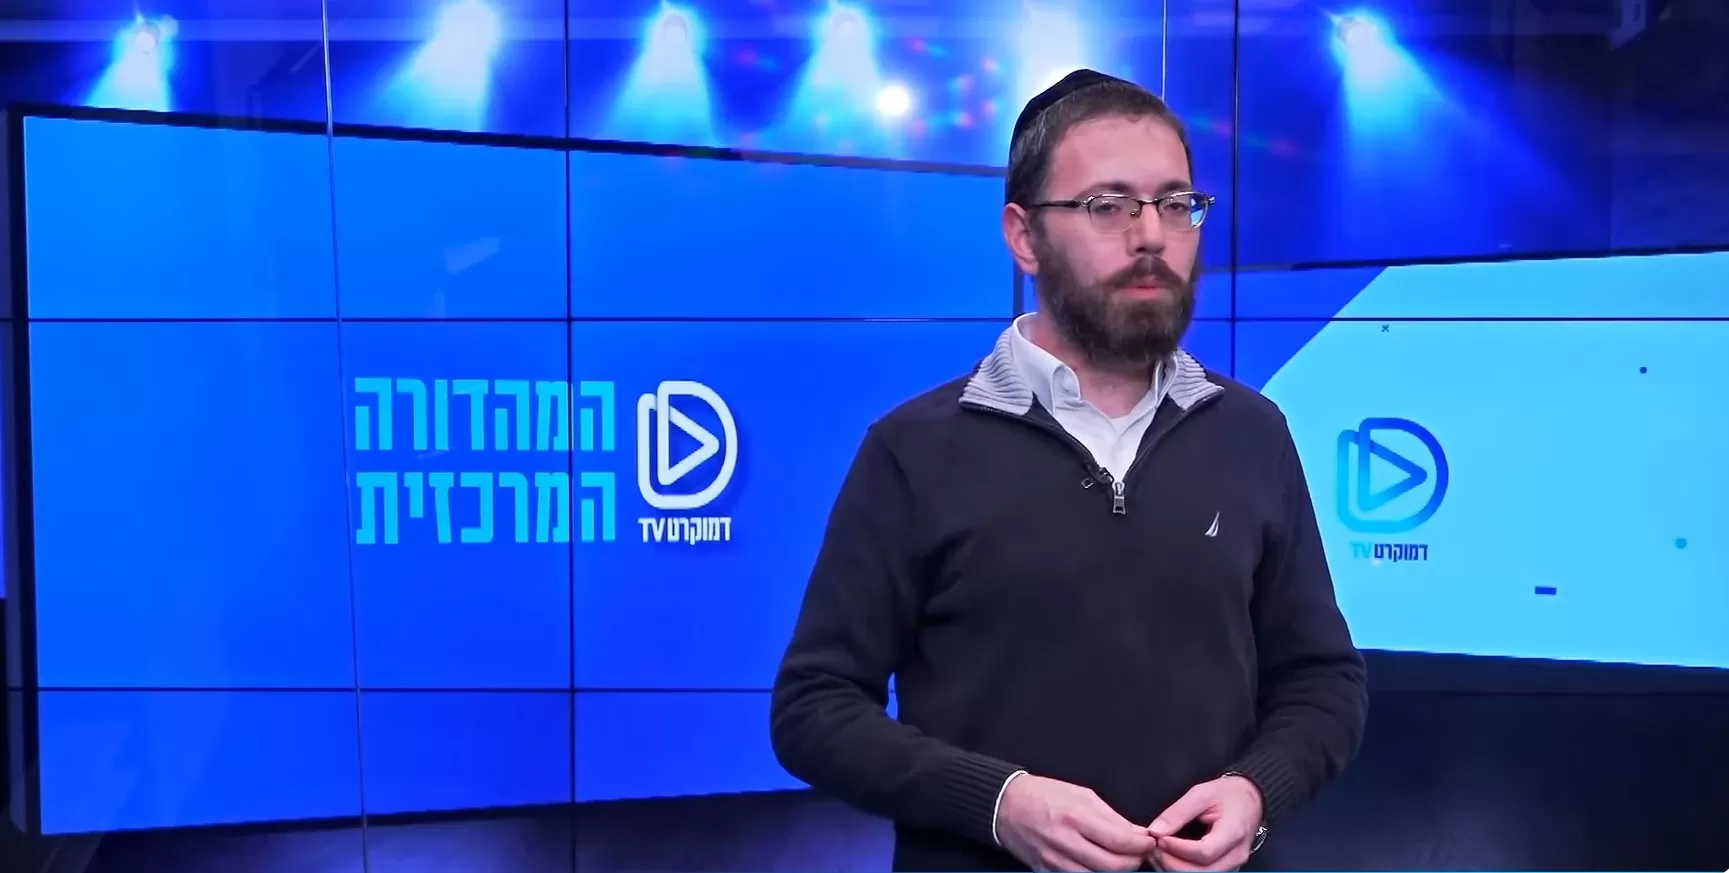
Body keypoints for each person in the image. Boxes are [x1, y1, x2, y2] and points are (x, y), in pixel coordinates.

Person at [769, 70, 1368, 873]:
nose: (1151, 235)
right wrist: (998, 803)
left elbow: (1322, 681)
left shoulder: (1252, 434)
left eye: (1175, 204)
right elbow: (814, 708)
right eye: (1107, 205)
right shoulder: (913, 450)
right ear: (1023, 236)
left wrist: (1257, 791)